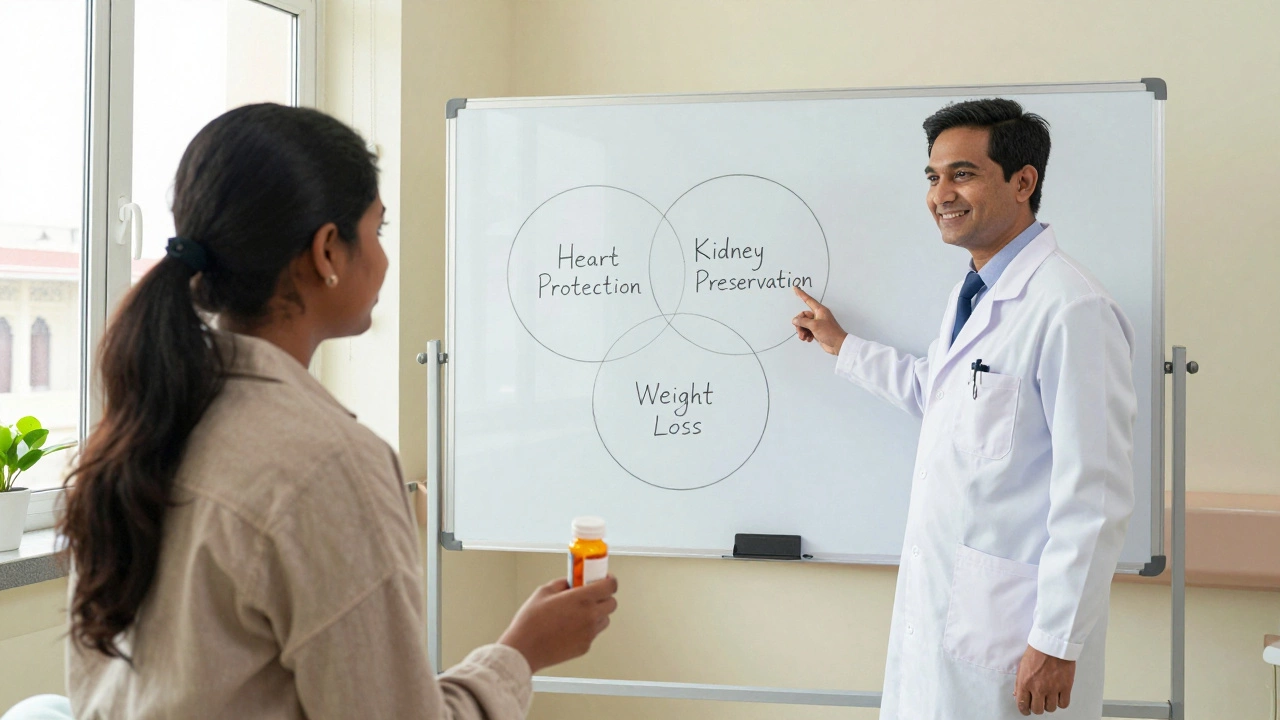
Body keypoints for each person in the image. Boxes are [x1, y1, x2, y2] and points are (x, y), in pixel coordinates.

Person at [59, 103, 618, 719]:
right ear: (327, 250)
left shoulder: (135, 432)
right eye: (378, 230)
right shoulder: (327, 466)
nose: (384, 258)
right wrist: (520, 654)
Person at [792, 98, 1136, 719]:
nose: (940, 194)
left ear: (1023, 182)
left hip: (1016, 635)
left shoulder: (1072, 309)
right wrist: (843, 345)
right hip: (950, 619)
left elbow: (1096, 493)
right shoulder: (970, 294)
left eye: (963, 174)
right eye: (933, 176)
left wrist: (1057, 640)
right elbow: (944, 396)